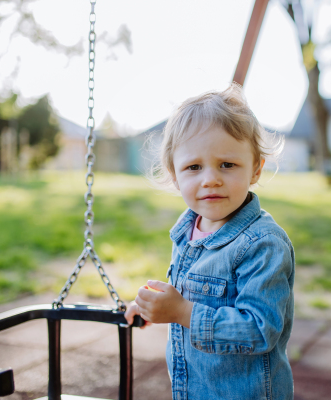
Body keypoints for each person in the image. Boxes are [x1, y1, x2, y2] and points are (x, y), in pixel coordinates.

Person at [124, 84, 295, 399]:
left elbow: (260, 329)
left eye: (227, 165)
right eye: (193, 167)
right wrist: (152, 306)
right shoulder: (188, 229)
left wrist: (181, 312)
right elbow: (189, 291)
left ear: (255, 169)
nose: (210, 179)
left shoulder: (263, 244)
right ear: (175, 175)